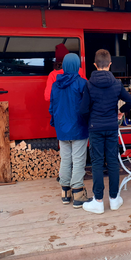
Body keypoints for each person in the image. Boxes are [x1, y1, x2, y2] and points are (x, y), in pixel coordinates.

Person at [79, 49, 131, 214]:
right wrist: (121, 111)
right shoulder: (117, 84)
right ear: (110, 64)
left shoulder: (89, 85)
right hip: (111, 127)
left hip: (95, 128)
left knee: (97, 163)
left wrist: (90, 121)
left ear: (95, 64)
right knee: (112, 162)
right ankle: (113, 199)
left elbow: (83, 110)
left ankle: (97, 201)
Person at [49, 53, 89, 208]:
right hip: (78, 126)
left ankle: (65, 192)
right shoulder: (82, 83)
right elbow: (86, 107)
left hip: (62, 127)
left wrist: (56, 123)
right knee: (78, 160)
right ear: (77, 66)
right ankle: (78, 194)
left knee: (65, 159)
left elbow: (52, 107)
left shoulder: (55, 85)